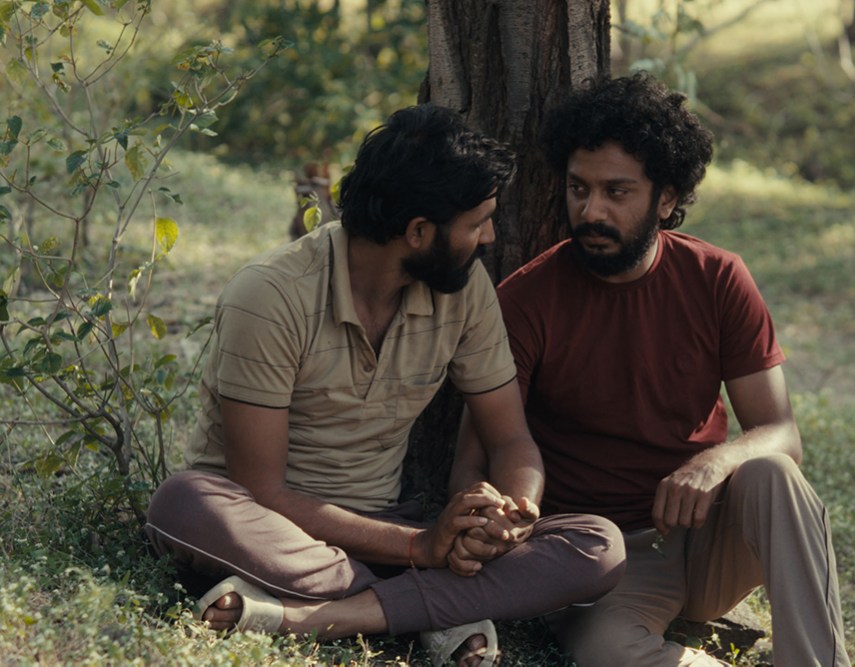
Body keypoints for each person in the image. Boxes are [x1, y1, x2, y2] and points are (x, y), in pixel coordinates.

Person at [144, 104, 625, 666]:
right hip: (269, 528)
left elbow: (510, 440)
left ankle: (320, 615)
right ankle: (435, 610)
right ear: (418, 232)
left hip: (387, 527)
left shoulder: (463, 290)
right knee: (181, 502)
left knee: (598, 547)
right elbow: (263, 490)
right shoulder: (271, 296)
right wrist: (424, 549)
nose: (490, 237)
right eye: (477, 223)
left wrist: (513, 516)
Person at [452, 73, 850, 666]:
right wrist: (491, 516)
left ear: (666, 198)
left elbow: (782, 432)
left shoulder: (718, 278)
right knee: (606, 650)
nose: (591, 211)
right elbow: (475, 454)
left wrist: (714, 463)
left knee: (774, 474)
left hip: (709, 534)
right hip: (609, 557)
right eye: (579, 188)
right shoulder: (526, 300)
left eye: (617, 192)